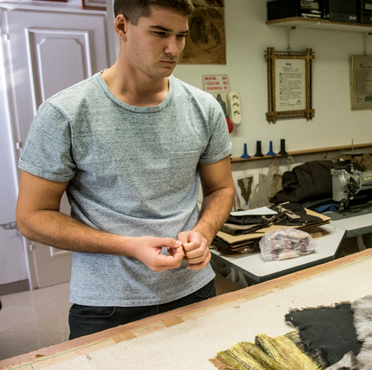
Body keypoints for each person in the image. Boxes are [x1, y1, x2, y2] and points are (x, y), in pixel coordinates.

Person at [15, 0, 234, 339]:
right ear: (121, 27)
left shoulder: (205, 108)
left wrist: (203, 233)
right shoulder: (65, 113)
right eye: (160, 33)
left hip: (194, 290)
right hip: (106, 305)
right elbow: (31, 217)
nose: (173, 48)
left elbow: (221, 189)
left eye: (182, 35)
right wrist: (127, 245)